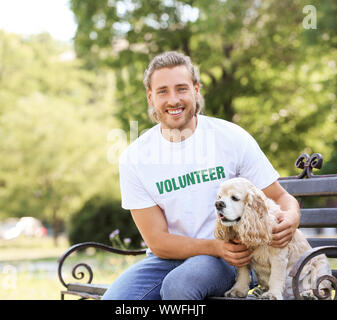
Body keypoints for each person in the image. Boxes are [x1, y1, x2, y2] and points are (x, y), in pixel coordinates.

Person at [102, 51, 300, 300]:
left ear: (196, 90)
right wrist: (212, 245)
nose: (173, 100)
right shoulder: (135, 158)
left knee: (179, 287)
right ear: (150, 97)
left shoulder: (231, 138)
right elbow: (158, 241)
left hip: (230, 258)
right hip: (167, 260)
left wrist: (292, 216)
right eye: (163, 91)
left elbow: (281, 198)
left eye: (181, 89)